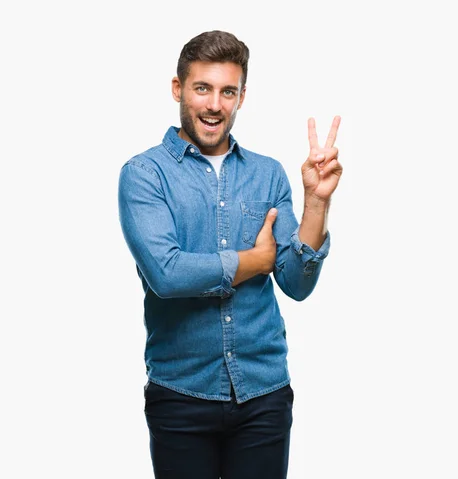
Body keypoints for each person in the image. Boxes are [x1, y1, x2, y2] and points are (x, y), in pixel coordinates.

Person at [118, 30, 342, 479]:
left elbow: (297, 284)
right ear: (178, 89)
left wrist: (316, 202)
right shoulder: (145, 175)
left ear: (241, 97)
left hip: (263, 393)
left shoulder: (268, 174)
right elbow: (168, 273)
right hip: (181, 393)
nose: (215, 105)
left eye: (228, 91)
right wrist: (254, 262)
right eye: (202, 88)